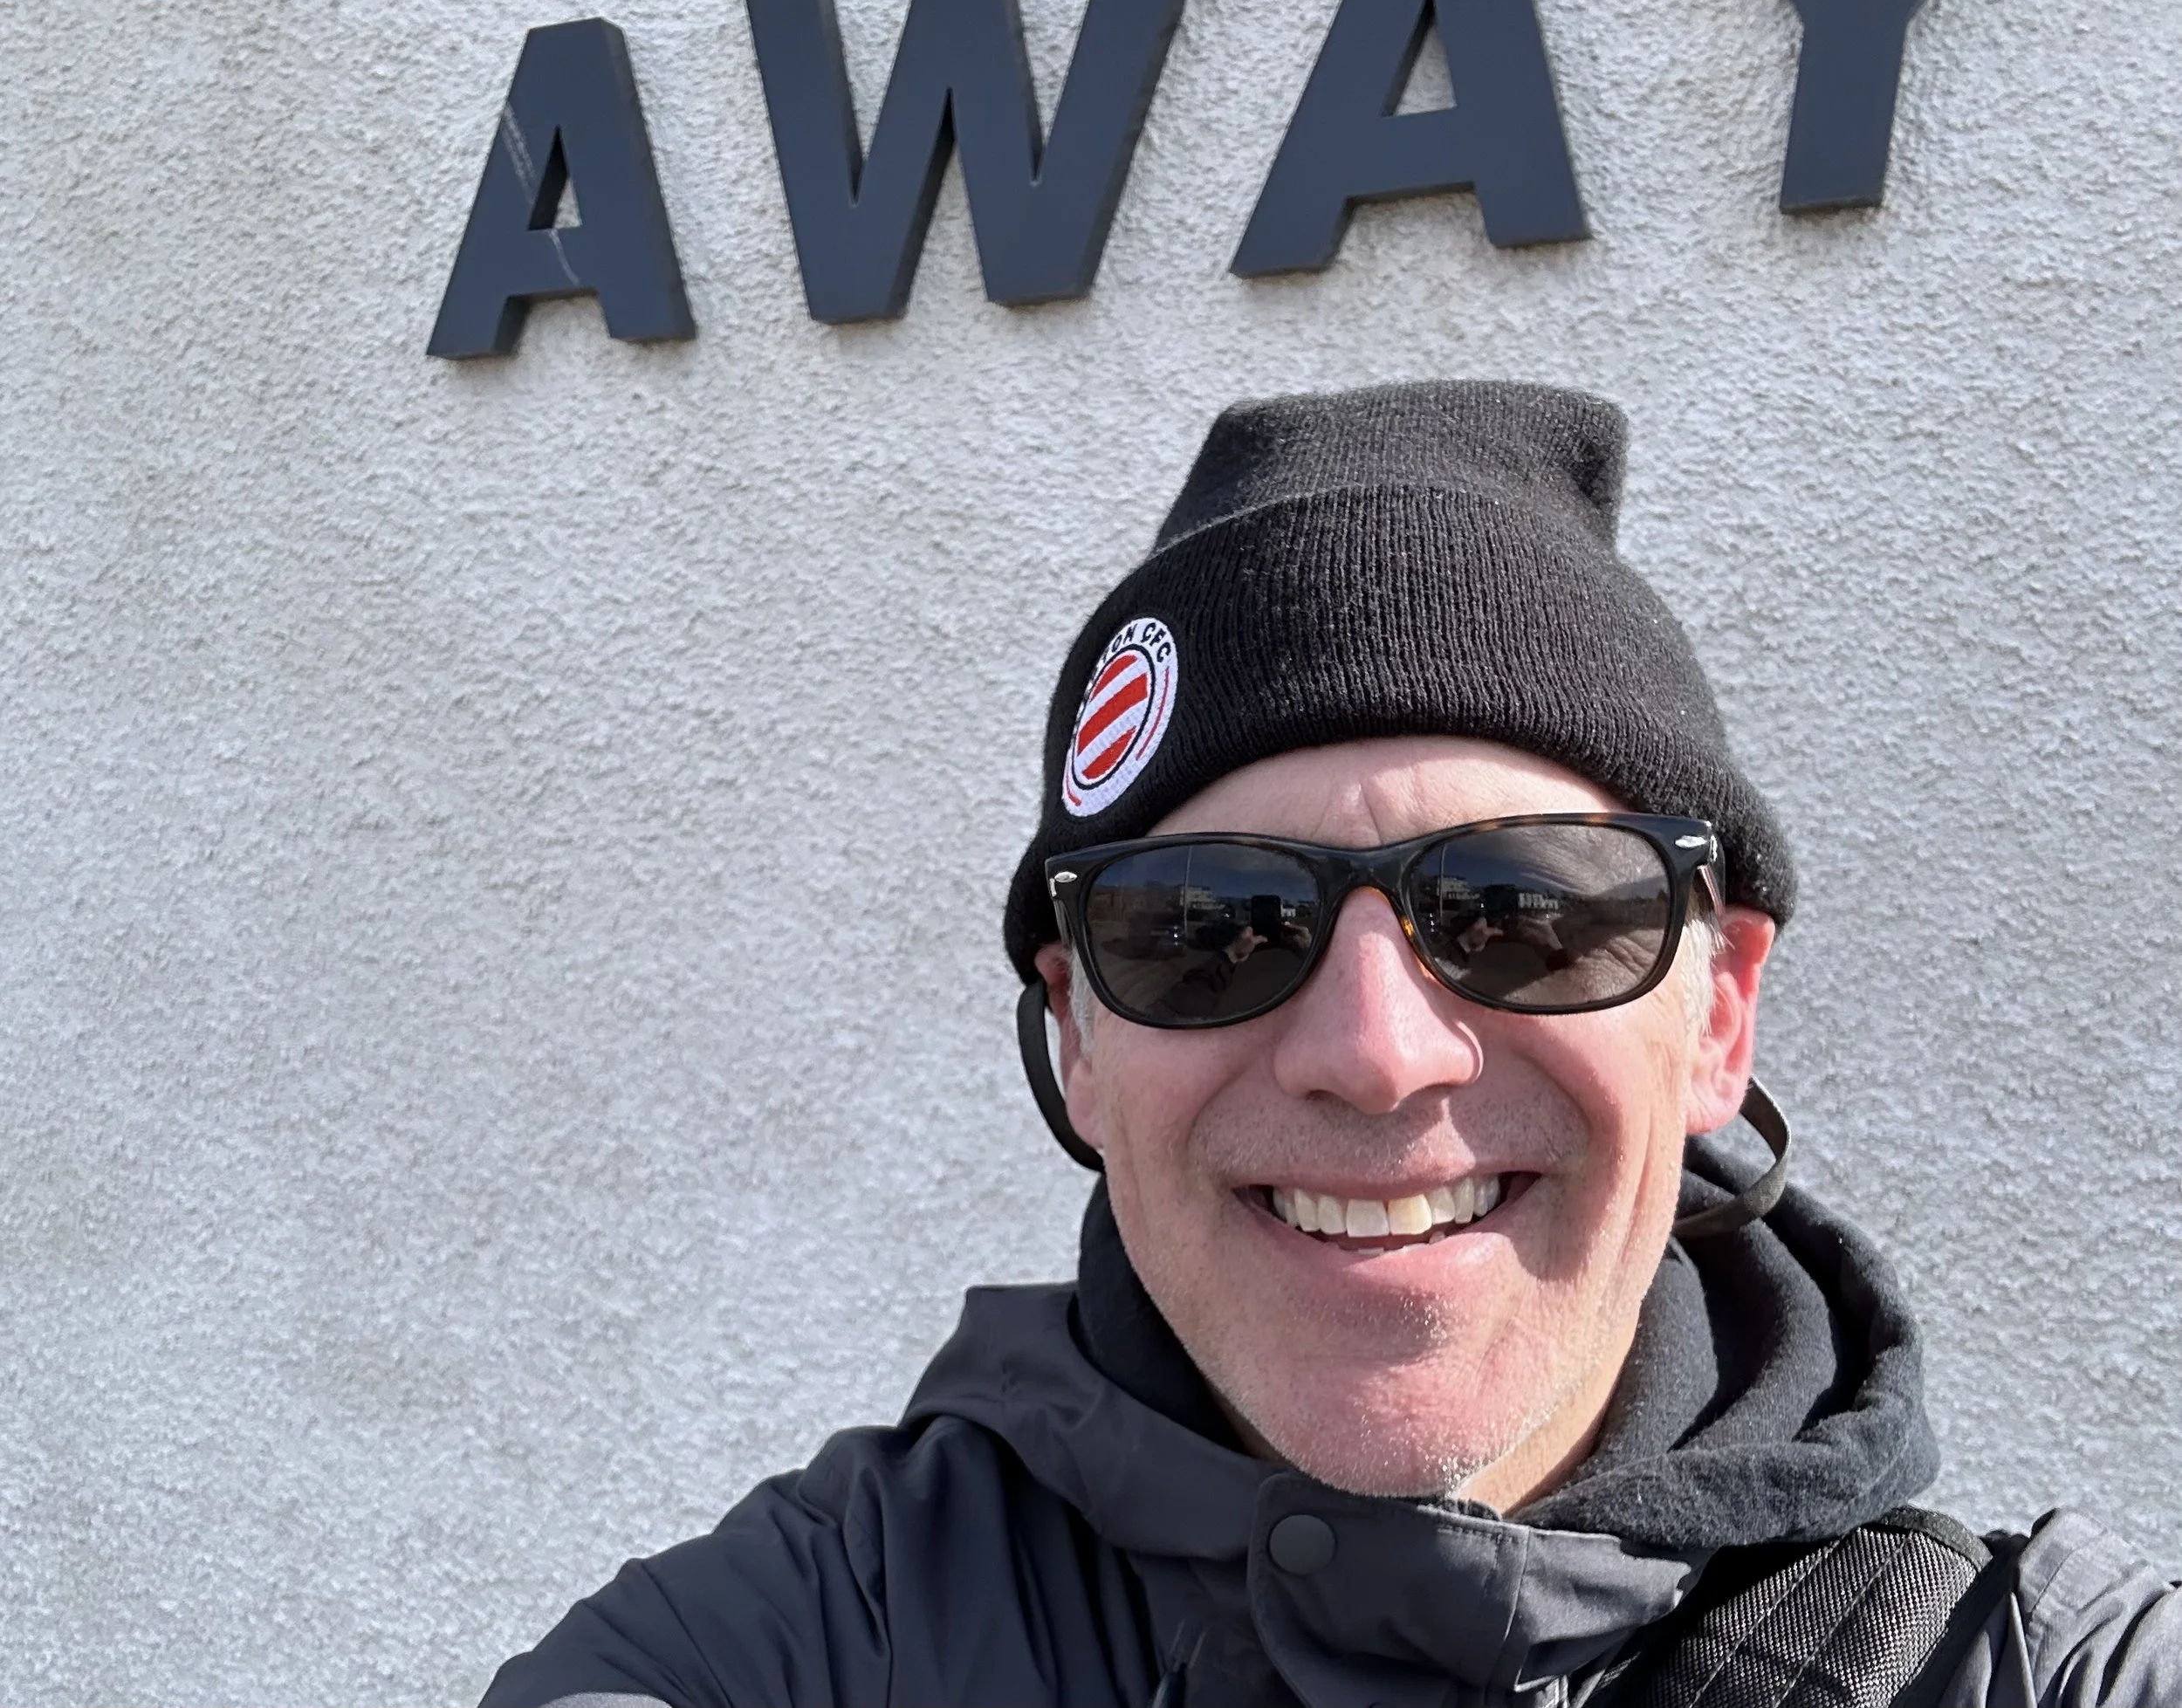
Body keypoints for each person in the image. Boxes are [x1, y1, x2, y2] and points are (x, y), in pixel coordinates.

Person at [482, 381, 2177, 1707]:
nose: (1373, 1055)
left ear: (1714, 1013)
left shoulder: (2039, 1668)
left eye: (1520, 912)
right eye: (1208, 927)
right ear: (1072, 1035)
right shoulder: (802, 1643)